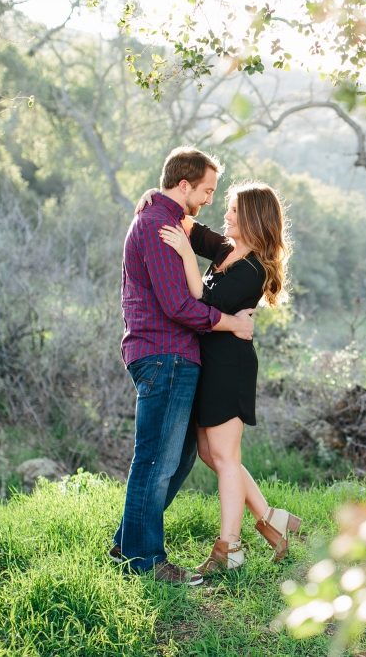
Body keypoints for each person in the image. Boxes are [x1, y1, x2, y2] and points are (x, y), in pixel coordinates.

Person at [111, 147, 255, 586]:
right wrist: (231, 322)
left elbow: (213, 240)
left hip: (177, 357)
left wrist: (155, 196)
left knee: (175, 461)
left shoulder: (168, 218)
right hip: (164, 354)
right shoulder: (158, 225)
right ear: (185, 184)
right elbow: (177, 304)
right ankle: (145, 561)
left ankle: (127, 544)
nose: (211, 198)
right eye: (208, 190)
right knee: (156, 462)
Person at [146, 181, 301, 573]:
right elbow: (187, 222)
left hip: (229, 367)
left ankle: (229, 548)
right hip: (207, 363)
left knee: (227, 458)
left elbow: (203, 299)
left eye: (233, 210)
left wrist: (184, 254)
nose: (225, 214)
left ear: (252, 218)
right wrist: (152, 196)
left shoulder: (253, 269)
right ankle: (272, 517)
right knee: (210, 454)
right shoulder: (226, 251)